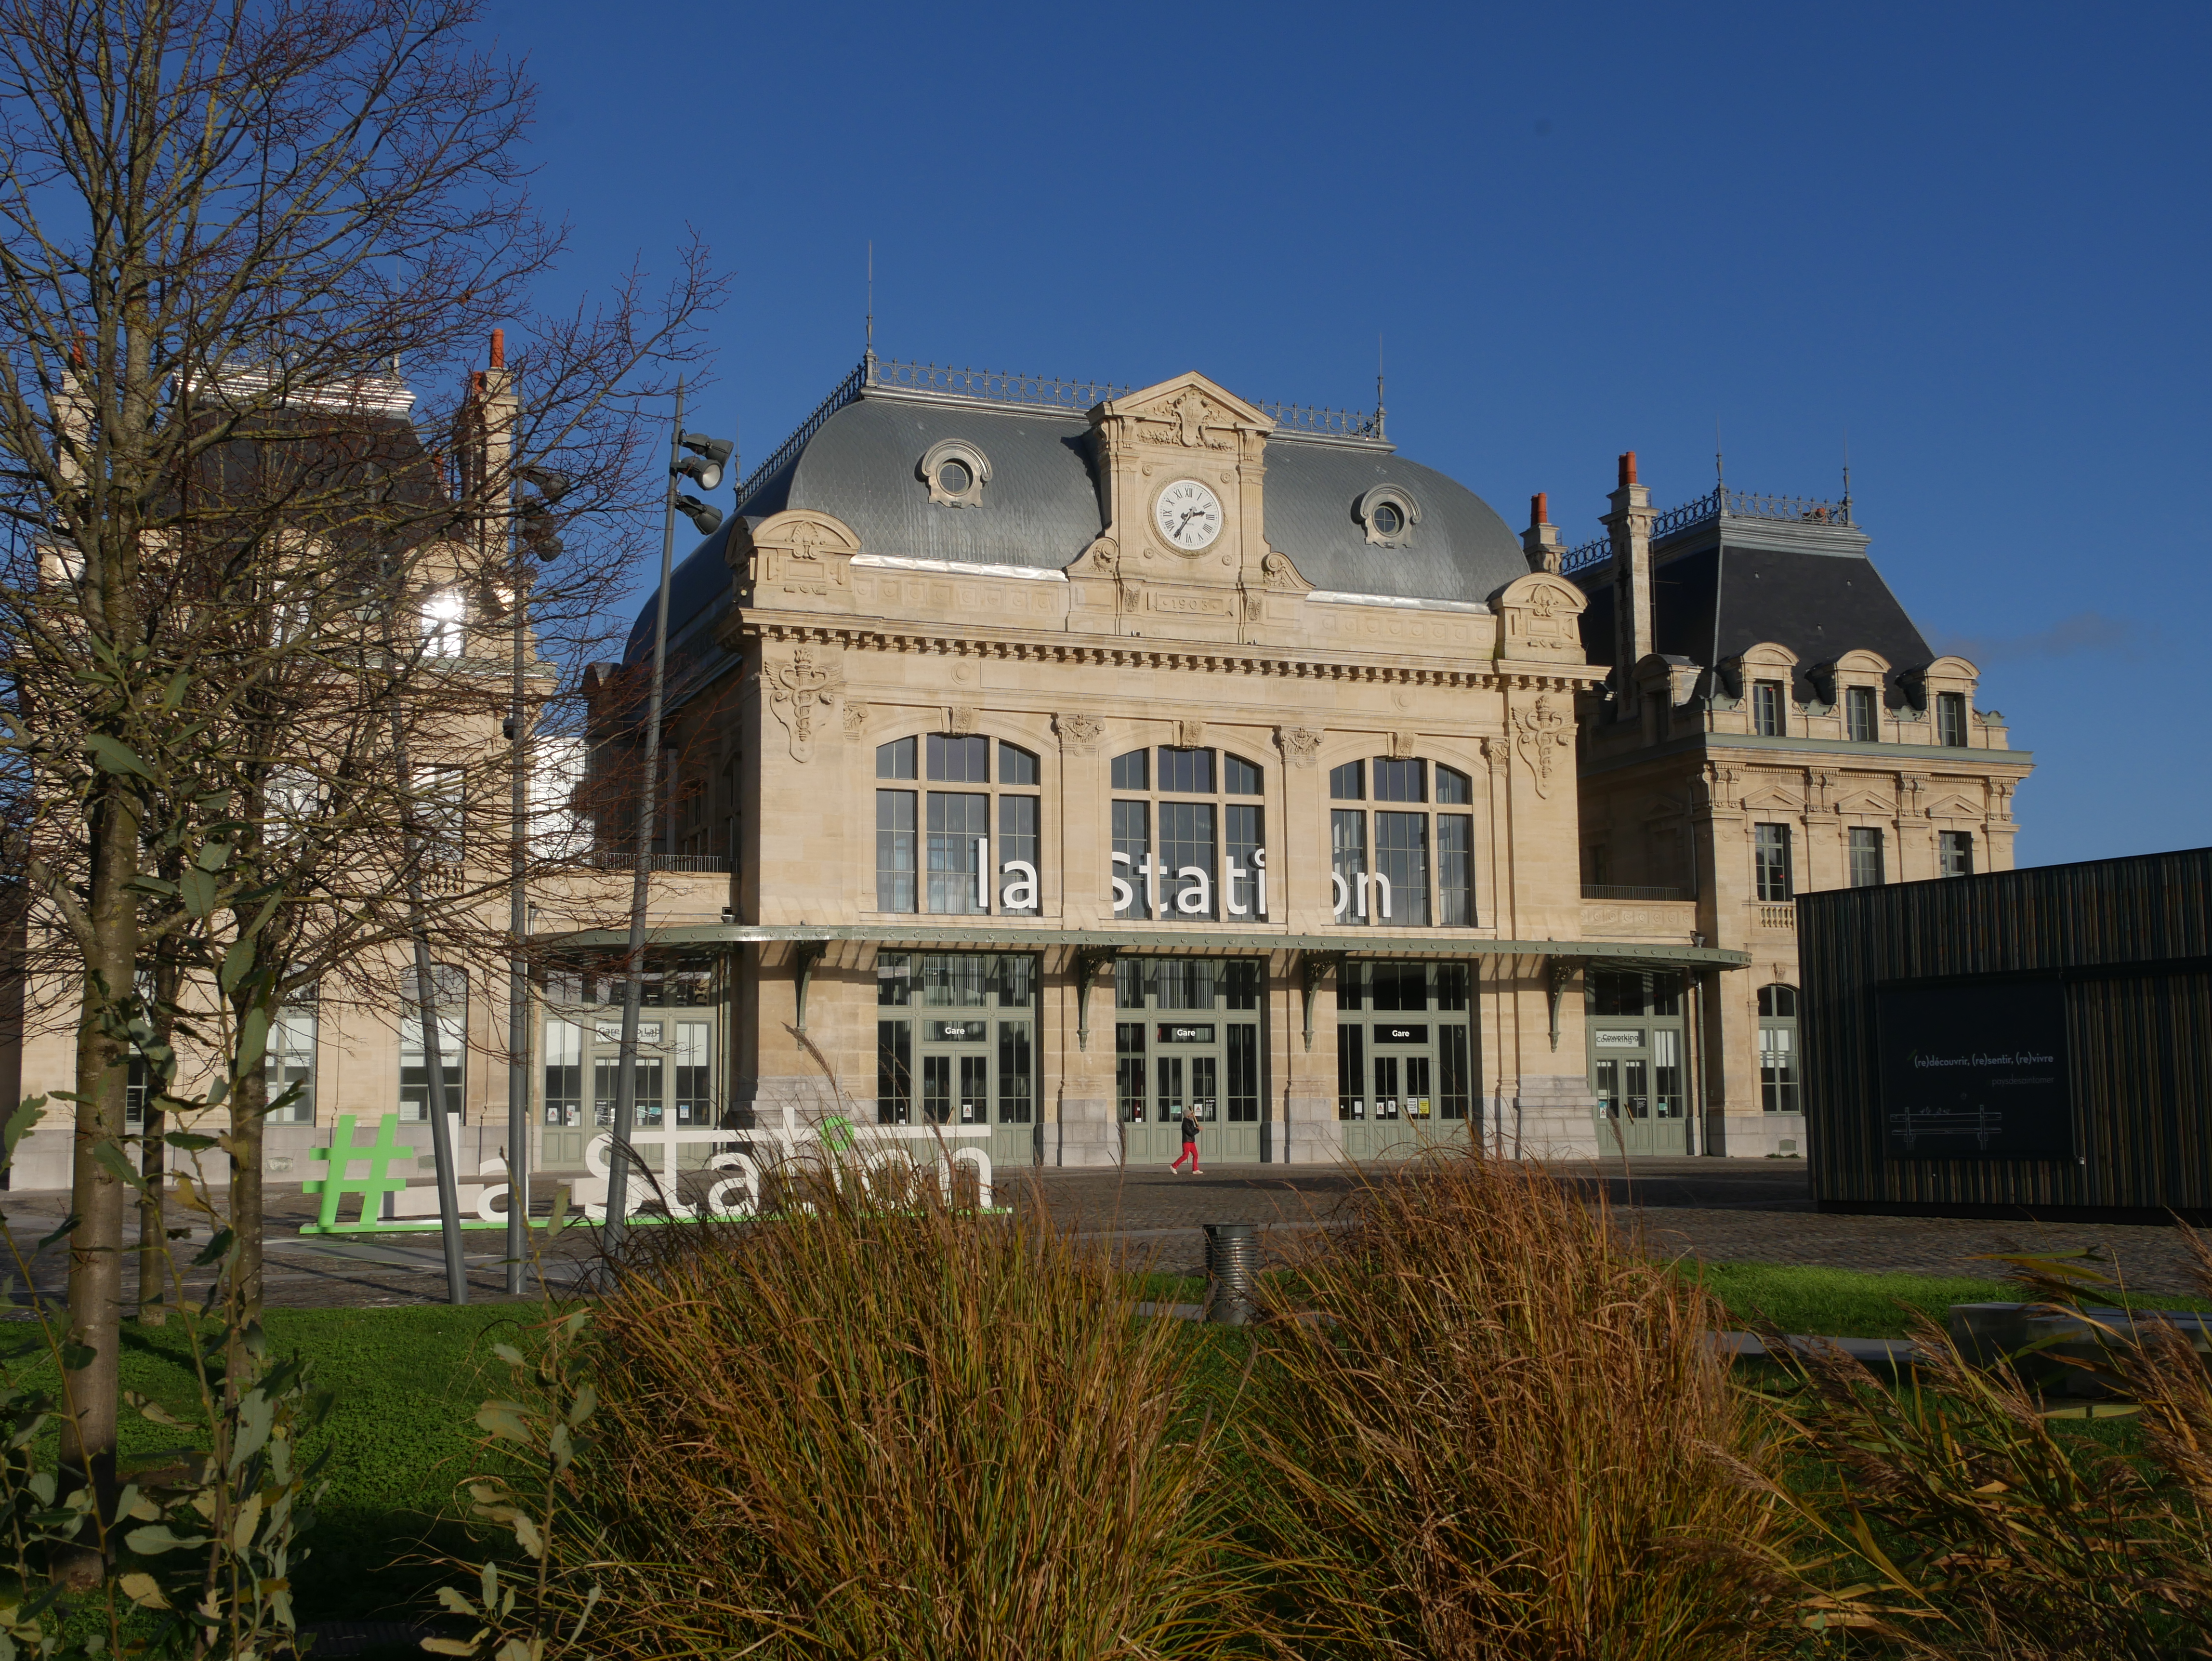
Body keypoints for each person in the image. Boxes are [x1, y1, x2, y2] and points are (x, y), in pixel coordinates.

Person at [1171, 1106, 1201, 1174]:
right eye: (1191, 1115)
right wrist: (1198, 1130)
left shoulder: (1190, 1122)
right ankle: (1174, 1166)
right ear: (1188, 1115)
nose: (1192, 1116)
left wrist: (1197, 1129)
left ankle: (1195, 1169)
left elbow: (1193, 1130)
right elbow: (1191, 1133)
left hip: (1191, 1141)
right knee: (1185, 1156)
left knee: (1196, 1155)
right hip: (1187, 1142)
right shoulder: (1185, 1124)